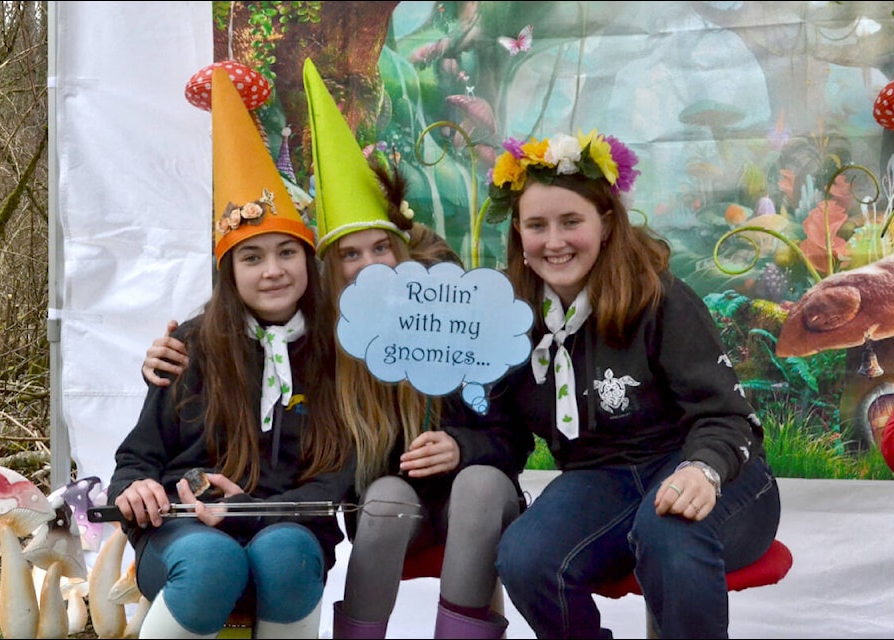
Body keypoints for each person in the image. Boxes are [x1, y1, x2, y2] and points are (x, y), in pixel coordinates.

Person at [140, 58, 533, 640]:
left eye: (381, 248)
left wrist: (461, 444)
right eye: (350, 254)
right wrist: (169, 355)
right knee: (386, 497)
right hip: (383, 503)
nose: (369, 265)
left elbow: (511, 433)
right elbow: (251, 357)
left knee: (474, 487)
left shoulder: (454, 316)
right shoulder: (324, 342)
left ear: (403, 248)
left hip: (473, 491)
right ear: (328, 268)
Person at [480, 130, 782, 639]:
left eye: (571, 221)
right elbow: (501, 431)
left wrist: (702, 469)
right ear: (518, 233)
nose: (554, 241)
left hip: (709, 470)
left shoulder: (660, 297)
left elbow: (728, 418)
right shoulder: (513, 315)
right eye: (537, 225)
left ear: (605, 223)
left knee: (668, 529)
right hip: (602, 479)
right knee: (525, 557)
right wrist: (458, 443)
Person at [106, 67, 354, 640]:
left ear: (307, 260)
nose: (273, 271)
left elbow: (339, 475)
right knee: (213, 560)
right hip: (186, 533)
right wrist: (138, 491)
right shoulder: (188, 347)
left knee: (287, 552)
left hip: (288, 531)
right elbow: (138, 460)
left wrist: (254, 511)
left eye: (287, 252)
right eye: (252, 257)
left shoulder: (338, 353)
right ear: (229, 272)